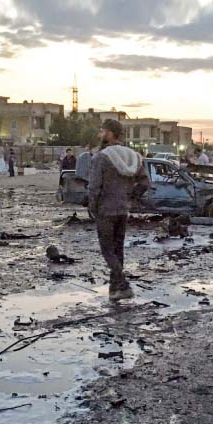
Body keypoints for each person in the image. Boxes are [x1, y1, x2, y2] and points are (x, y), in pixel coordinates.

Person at [88, 119, 149, 302]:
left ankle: (123, 284)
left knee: (107, 250)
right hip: (123, 210)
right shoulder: (134, 156)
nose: (100, 134)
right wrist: (131, 196)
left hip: (105, 210)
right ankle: (115, 290)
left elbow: (94, 187)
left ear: (109, 133)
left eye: (102, 131)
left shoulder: (101, 157)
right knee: (118, 249)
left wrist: (92, 207)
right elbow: (145, 183)